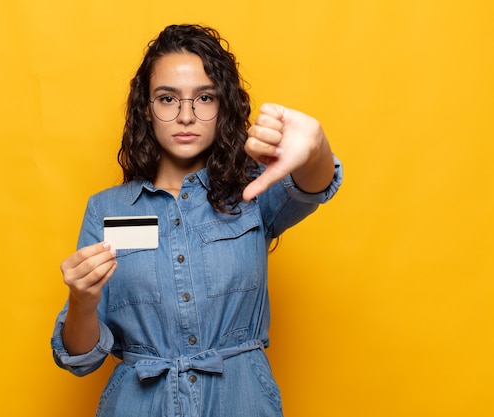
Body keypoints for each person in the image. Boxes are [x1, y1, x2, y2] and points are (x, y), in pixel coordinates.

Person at [51, 24, 343, 417]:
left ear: (222, 106)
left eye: (204, 98)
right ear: (146, 110)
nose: (186, 115)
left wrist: (315, 144)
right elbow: (81, 358)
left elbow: (314, 184)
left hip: (241, 402)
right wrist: (81, 301)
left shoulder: (253, 190)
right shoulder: (106, 210)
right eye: (167, 98)